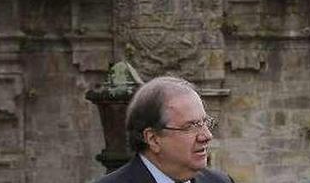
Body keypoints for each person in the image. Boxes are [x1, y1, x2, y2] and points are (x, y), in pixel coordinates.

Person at [95, 76, 235, 183]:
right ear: (153, 139)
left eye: (205, 122)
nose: (206, 135)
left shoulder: (219, 181)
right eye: (190, 126)